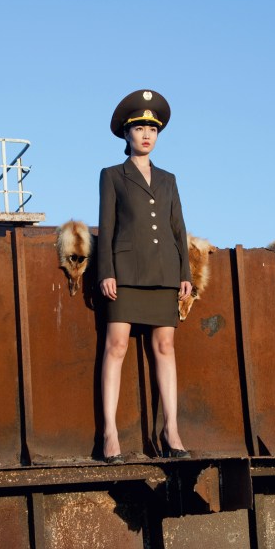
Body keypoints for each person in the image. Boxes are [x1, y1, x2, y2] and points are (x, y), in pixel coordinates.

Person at [97, 89, 193, 464]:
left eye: (152, 129)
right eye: (138, 128)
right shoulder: (111, 175)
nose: (146, 135)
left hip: (164, 271)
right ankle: (109, 434)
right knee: (116, 347)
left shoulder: (169, 179)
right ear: (126, 134)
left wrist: (184, 272)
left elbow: (177, 227)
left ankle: (172, 431)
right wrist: (106, 270)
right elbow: (107, 227)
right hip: (125, 272)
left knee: (165, 348)